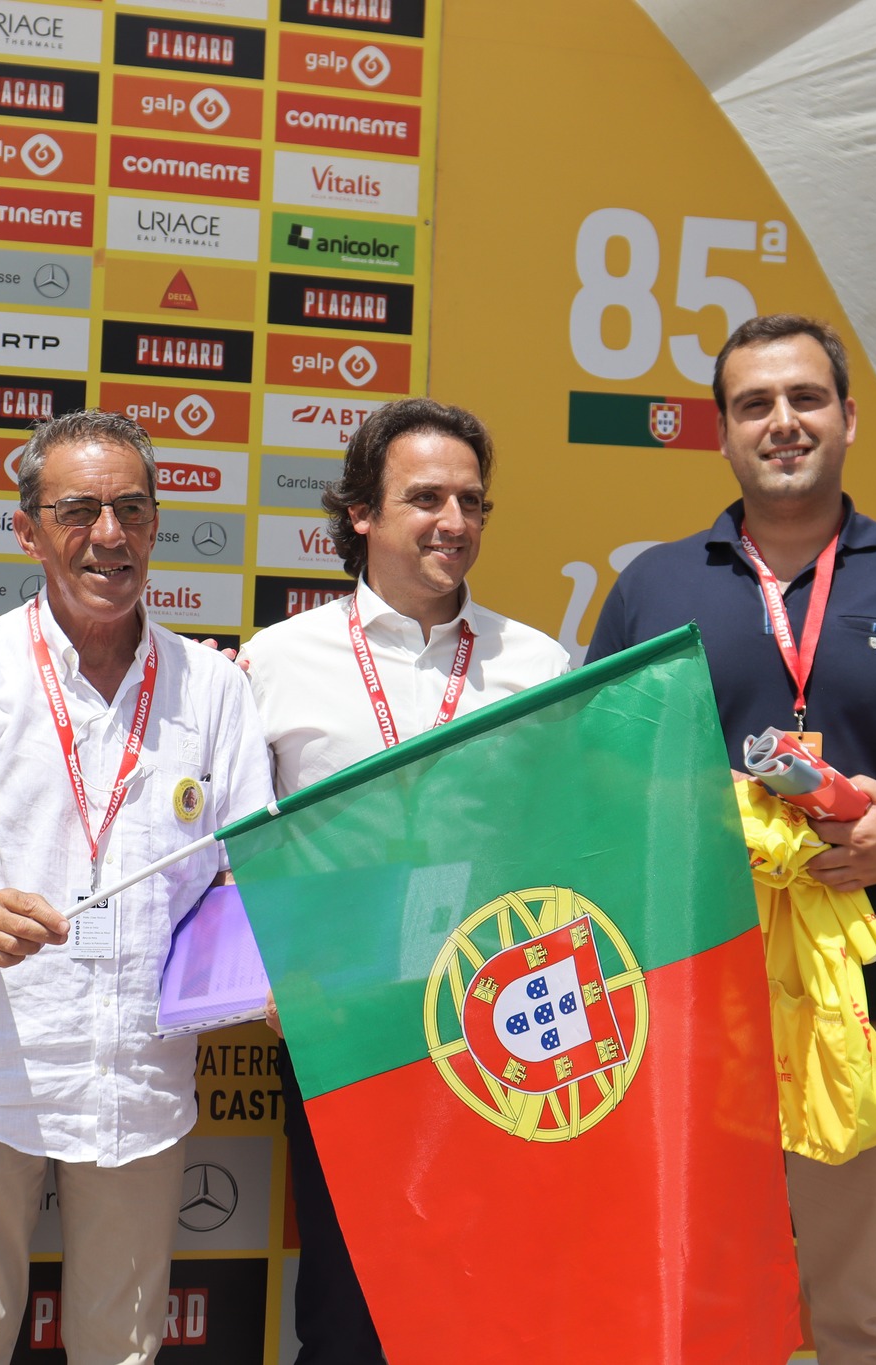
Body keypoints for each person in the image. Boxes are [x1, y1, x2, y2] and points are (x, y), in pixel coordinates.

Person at [587, 315, 876, 1365]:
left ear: (847, 417)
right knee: (690, 1317)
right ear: (721, 432)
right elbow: (594, 781)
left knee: (869, 1320)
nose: (782, 422)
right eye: (753, 404)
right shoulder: (654, 587)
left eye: (804, 398)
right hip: (691, 1012)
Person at [0, 409, 274, 1365]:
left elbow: (246, 874)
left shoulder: (213, 688)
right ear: (28, 532)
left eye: (131, 510)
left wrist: (271, 971)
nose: (109, 534)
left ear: (155, 525)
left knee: (122, 1348)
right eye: (79, 512)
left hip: (137, 1076)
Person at [236, 397, 571, 1364]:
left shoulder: (539, 662)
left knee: (489, 1303)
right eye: (426, 498)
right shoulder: (274, 662)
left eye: (471, 501)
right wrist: (266, 973)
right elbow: (233, 850)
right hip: (345, 1026)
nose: (453, 521)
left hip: (502, 1026)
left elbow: (564, 842)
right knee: (348, 1310)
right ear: (361, 513)